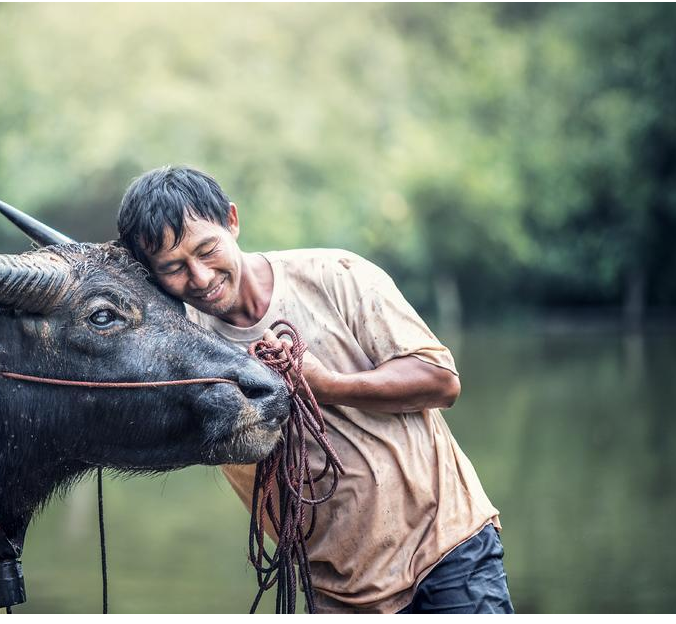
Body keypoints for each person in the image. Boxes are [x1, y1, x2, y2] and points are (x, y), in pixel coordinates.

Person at [116, 165, 514, 614]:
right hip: (335, 586)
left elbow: (440, 381)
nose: (202, 278)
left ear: (232, 220)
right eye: (174, 268)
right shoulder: (183, 348)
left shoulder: (337, 275)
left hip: (443, 548)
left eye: (207, 251)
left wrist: (330, 386)